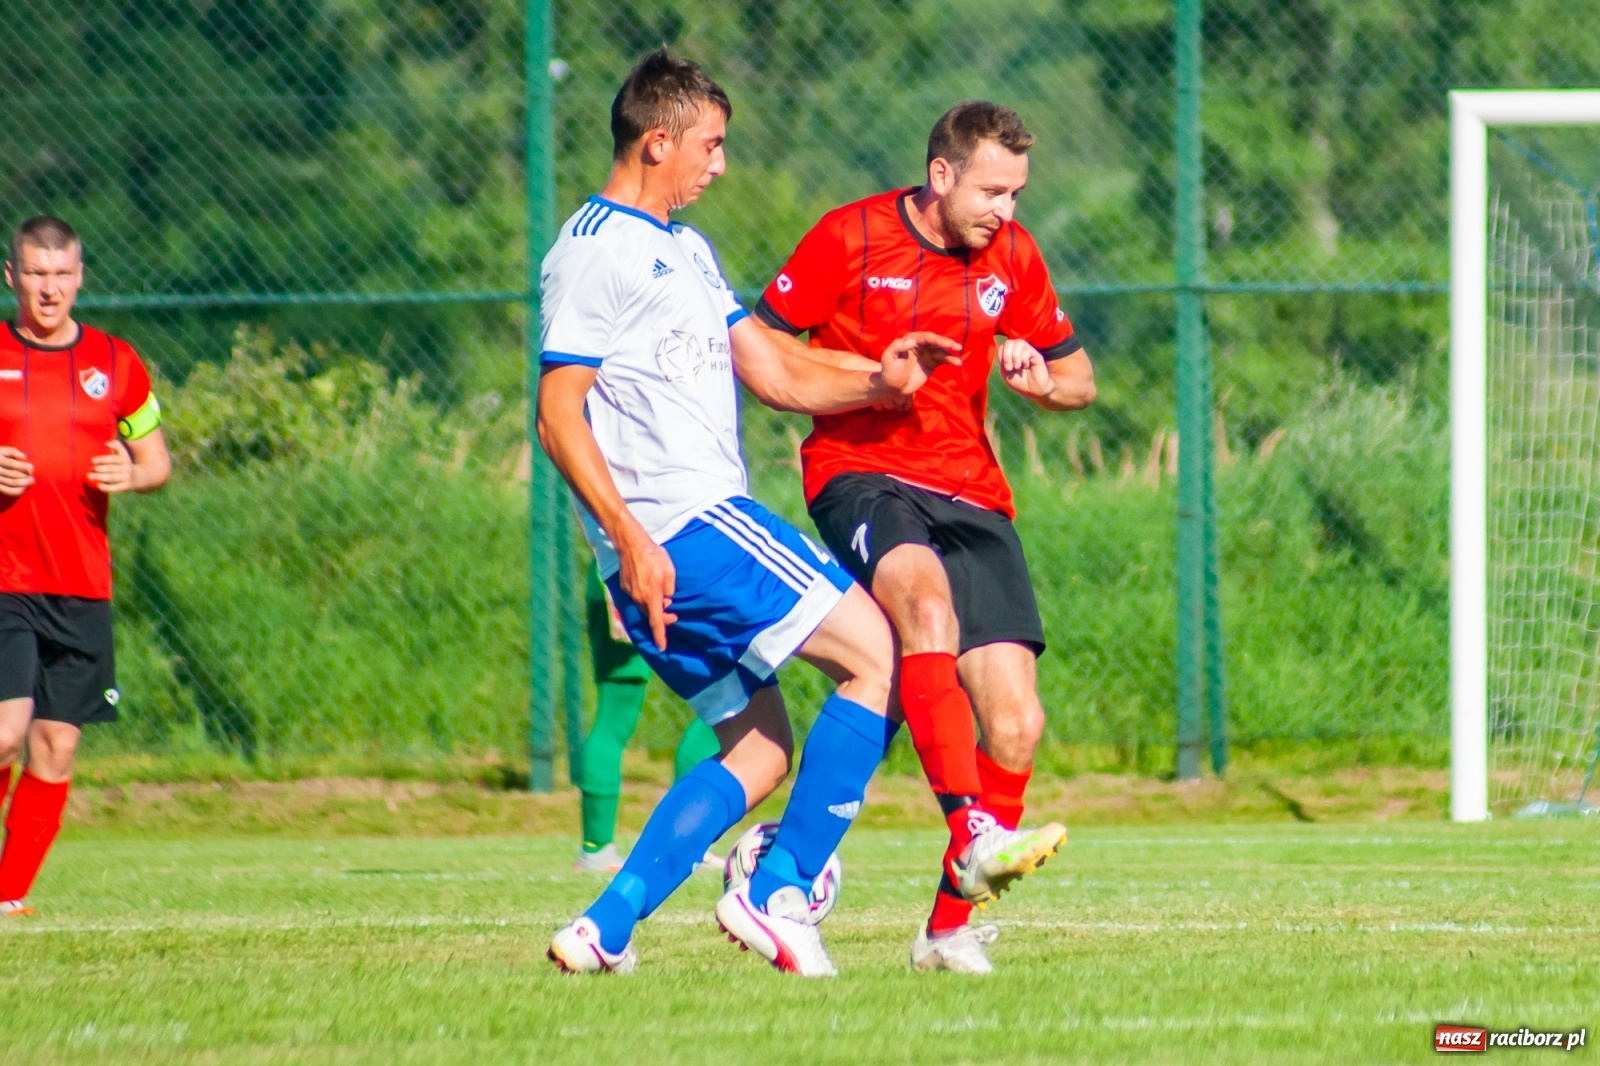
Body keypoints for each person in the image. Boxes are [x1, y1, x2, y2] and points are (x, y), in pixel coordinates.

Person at [539, 49, 969, 977]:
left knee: (762, 749)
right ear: (658, 142)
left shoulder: (686, 248)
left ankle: (604, 928)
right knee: (884, 655)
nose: (721, 164)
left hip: (667, 545)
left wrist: (878, 380)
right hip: (687, 526)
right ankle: (780, 891)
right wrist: (630, 538)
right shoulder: (596, 249)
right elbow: (557, 414)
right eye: (711, 144)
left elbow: (773, 369)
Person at [752, 101, 1097, 974]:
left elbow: (1079, 378)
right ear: (941, 175)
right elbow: (760, 351)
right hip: (861, 473)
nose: (1005, 211)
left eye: (1017, 194)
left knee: (1016, 723)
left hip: (971, 490)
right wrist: (870, 376)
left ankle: (945, 931)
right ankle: (969, 830)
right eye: (991, 191)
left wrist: (1040, 380)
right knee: (925, 609)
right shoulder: (849, 236)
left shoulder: (1012, 254)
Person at [0, 216, 171, 917]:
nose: (49, 289)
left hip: (80, 585)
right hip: (5, 578)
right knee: (5, 732)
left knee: (54, 749)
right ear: (12, 276)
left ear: (79, 278)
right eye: (36, 274)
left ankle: (8, 898)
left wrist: (133, 475)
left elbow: (156, 461)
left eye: (61, 275)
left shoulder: (115, 361)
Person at [574, 558, 721, 874]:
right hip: (670, 570)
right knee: (725, 697)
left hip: (618, 570)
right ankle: (682, 841)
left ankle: (598, 850)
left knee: (615, 717)